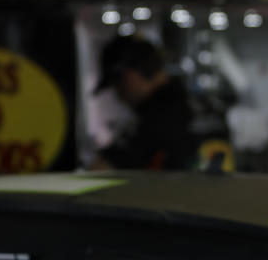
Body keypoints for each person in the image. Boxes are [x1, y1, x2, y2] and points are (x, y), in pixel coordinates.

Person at [89, 35, 230, 171]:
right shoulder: (209, 106)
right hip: (221, 195)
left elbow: (100, 171)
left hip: (176, 195)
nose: (118, 95)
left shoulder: (151, 119)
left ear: (130, 76)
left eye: (117, 85)